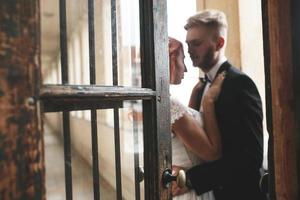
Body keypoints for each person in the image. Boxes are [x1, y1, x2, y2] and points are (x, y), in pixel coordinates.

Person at [172, 10, 267, 200]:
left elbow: (250, 158)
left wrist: (191, 178)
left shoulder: (240, 84)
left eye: (196, 43)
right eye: (188, 44)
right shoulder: (200, 88)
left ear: (219, 43)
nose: (190, 50)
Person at [169, 37, 225, 200]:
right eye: (183, 59)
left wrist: (195, 95)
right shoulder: (171, 105)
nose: (185, 69)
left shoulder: (164, 103)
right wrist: (208, 103)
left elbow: (184, 129)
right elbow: (213, 153)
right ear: (171, 61)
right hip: (192, 193)